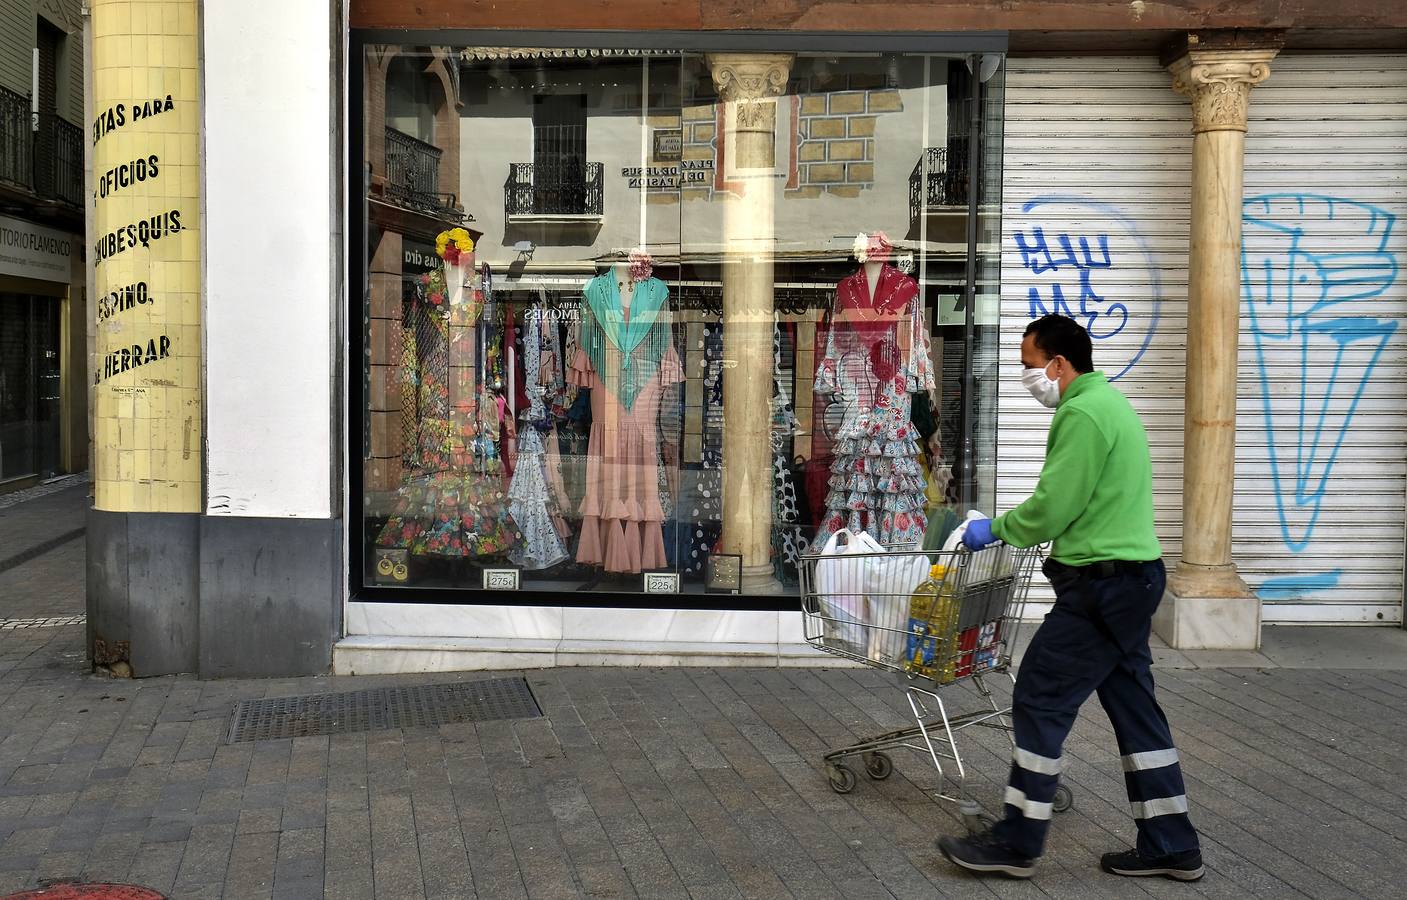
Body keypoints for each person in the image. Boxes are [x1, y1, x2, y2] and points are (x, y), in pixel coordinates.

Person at [937, 314, 1202, 882]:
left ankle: (1017, 841)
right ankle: (1171, 841)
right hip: (1131, 580)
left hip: (1103, 588)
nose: (1026, 376)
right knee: (1135, 710)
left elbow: (1055, 506)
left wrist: (996, 529)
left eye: (1030, 365)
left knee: (1039, 696)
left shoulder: (1081, 412)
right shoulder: (1109, 403)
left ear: (1059, 363)